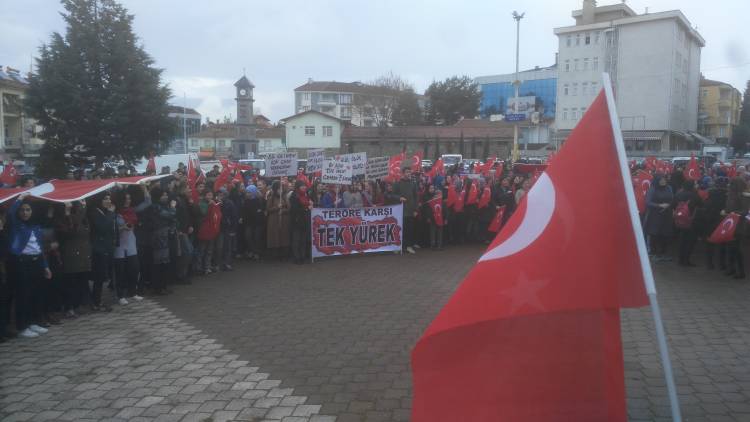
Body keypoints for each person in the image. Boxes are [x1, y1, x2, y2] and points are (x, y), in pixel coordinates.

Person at [7, 194, 53, 338]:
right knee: (24, 295)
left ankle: (34, 322)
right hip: (21, 263)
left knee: (36, 294)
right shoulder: (16, 225)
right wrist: (20, 198)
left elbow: (39, 249)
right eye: (23, 210)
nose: (25, 213)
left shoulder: (35, 227)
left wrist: (45, 266)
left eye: (28, 210)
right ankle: (22, 326)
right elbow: (10, 213)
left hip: (36, 262)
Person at [113, 186, 150, 304]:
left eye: (129, 198)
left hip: (131, 243)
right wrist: (121, 227)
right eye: (126, 199)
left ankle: (132, 292)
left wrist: (144, 188)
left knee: (134, 269)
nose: (128, 200)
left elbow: (147, 202)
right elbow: (110, 228)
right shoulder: (114, 213)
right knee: (120, 271)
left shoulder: (132, 210)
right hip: (119, 246)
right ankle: (120, 295)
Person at [58, 201, 92, 317]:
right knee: (70, 283)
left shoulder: (83, 218)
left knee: (80, 282)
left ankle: (77, 305)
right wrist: (68, 213)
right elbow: (70, 232)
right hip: (70, 255)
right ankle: (69, 307)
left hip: (82, 253)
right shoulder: (64, 219)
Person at [90, 193, 117, 311]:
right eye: (105, 199)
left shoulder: (104, 212)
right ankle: (96, 302)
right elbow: (102, 227)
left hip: (106, 248)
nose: (109, 201)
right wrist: (111, 213)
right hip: (98, 249)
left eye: (109, 198)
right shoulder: (95, 212)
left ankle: (98, 301)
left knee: (103, 276)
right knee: (99, 277)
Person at [644, 175, 674, 262]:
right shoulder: (653, 189)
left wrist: (669, 205)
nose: (663, 181)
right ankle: (653, 254)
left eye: (664, 180)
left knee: (665, 234)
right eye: (661, 180)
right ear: (657, 181)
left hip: (667, 214)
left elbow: (672, 198)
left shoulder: (669, 188)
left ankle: (663, 253)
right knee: (654, 234)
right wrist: (659, 205)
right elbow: (648, 202)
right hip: (655, 215)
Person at [723, 177, 749, 279]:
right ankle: (731, 268)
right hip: (730, 225)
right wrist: (725, 210)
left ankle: (741, 271)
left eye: (732, 184)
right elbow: (728, 207)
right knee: (730, 248)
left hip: (738, 226)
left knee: (737, 249)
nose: (730, 185)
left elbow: (745, 211)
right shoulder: (730, 195)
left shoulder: (744, 196)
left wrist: (734, 213)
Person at [673, 179, 702, 266]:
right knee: (690, 241)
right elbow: (701, 205)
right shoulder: (695, 195)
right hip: (691, 221)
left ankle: (680, 259)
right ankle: (686, 260)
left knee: (682, 240)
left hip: (679, 220)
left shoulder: (678, 194)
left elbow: (673, 205)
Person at [393, 167, 419, 254]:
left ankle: (409, 246)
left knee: (410, 229)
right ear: (403, 173)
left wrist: (416, 209)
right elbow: (393, 195)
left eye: (409, 172)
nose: (409, 173)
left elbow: (416, 197)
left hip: (410, 210)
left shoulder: (413, 184)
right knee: (400, 229)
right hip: (400, 211)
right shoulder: (398, 183)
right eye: (407, 172)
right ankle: (399, 246)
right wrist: (399, 197)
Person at [289, 180, 312, 264]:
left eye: (305, 186)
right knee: (296, 240)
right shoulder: (294, 195)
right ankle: (296, 257)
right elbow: (294, 209)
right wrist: (306, 209)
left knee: (303, 239)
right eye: (302, 186)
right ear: (298, 187)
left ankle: (302, 256)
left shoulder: (306, 195)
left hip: (305, 220)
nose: (304, 187)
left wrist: (310, 205)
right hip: (297, 221)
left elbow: (309, 204)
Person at [266, 180, 290, 259]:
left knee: (283, 237)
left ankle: (284, 254)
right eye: (279, 189)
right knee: (275, 237)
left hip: (283, 220)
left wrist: (283, 210)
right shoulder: (271, 197)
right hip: (274, 221)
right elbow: (268, 209)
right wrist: (277, 208)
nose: (281, 190)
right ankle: (275, 255)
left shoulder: (284, 197)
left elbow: (289, 208)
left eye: (281, 189)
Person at [241, 185, 265, 260]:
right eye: (247, 192)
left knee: (256, 238)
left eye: (249, 192)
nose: (247, 194)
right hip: (248, 223)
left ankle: (257, 252)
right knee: (248, 237)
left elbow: (262, 210)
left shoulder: (259, 200)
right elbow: (244, 211)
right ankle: (252, 250)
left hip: (258, 223)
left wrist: (259, 212)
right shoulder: (246, 201)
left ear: (253, 192)